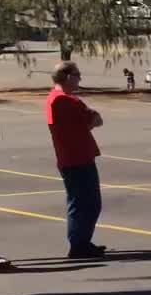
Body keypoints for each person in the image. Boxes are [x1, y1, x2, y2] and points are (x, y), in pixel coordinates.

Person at [45, 62, 106, 259]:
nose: (80, 79)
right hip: (77, 158)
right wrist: (90, 118)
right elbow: (96, 119)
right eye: (78, 75)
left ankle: (81, 242)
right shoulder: (66, 101)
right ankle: (79, 244)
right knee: (87, 203)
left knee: (80, 202)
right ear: (68, 76)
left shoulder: (53, 99)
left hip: (71, 157)